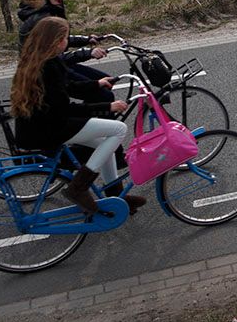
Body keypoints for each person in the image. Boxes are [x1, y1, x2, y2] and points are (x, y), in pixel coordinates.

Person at [10, 17, 146, 215]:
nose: (67, 43)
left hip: (40, 125)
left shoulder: (41, 60)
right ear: (57, 42)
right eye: (65, 38)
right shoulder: (48, 68)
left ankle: (115, 196)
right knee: (118, 129)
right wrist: (107, 106)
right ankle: (78, 187)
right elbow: (64, 109)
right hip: (47, 129)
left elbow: (68, 87)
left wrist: (97, 84)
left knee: (104, 143)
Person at [14, 0, 112, 104]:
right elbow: (53, 53)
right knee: (104, 95)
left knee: (106, 82)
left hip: (56, 63)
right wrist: (88, 53)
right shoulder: (43, 18)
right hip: (44, 72)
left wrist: (87, 39)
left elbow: (60, 39)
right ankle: (83, 123)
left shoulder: (53, 7)